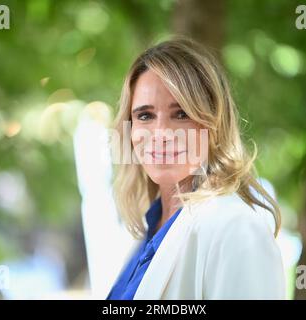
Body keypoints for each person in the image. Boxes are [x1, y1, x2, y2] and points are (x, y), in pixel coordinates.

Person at [106, 37, 285, 299]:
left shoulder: (237, 229)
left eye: (181, 114)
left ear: (213, 125)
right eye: (145, 115)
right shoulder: (148, 232)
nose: (161, 133)